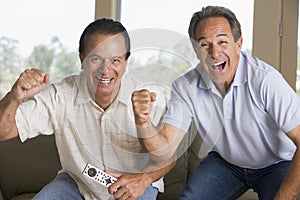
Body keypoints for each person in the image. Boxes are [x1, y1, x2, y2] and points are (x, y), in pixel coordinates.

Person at [131, 6, 300, 200]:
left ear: (238, 44)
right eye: (204, 44)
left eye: (222, 42)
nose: (214, 52)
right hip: (227, 163)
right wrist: (143, 122)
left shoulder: (265, 80)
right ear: (195, 49)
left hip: (277, 163)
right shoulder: (185, 86)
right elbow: (164, 149)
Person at [0, 18, 174, 200]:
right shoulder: (62, 95)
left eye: (115, 60)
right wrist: (14, 97)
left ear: (125, 62)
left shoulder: (151, 96)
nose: (105, 70)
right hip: (78, 183)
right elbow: (3, 131)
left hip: (136, 184)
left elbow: (168, 157)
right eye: (96, 58)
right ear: (82, 60)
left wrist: (144, 178)